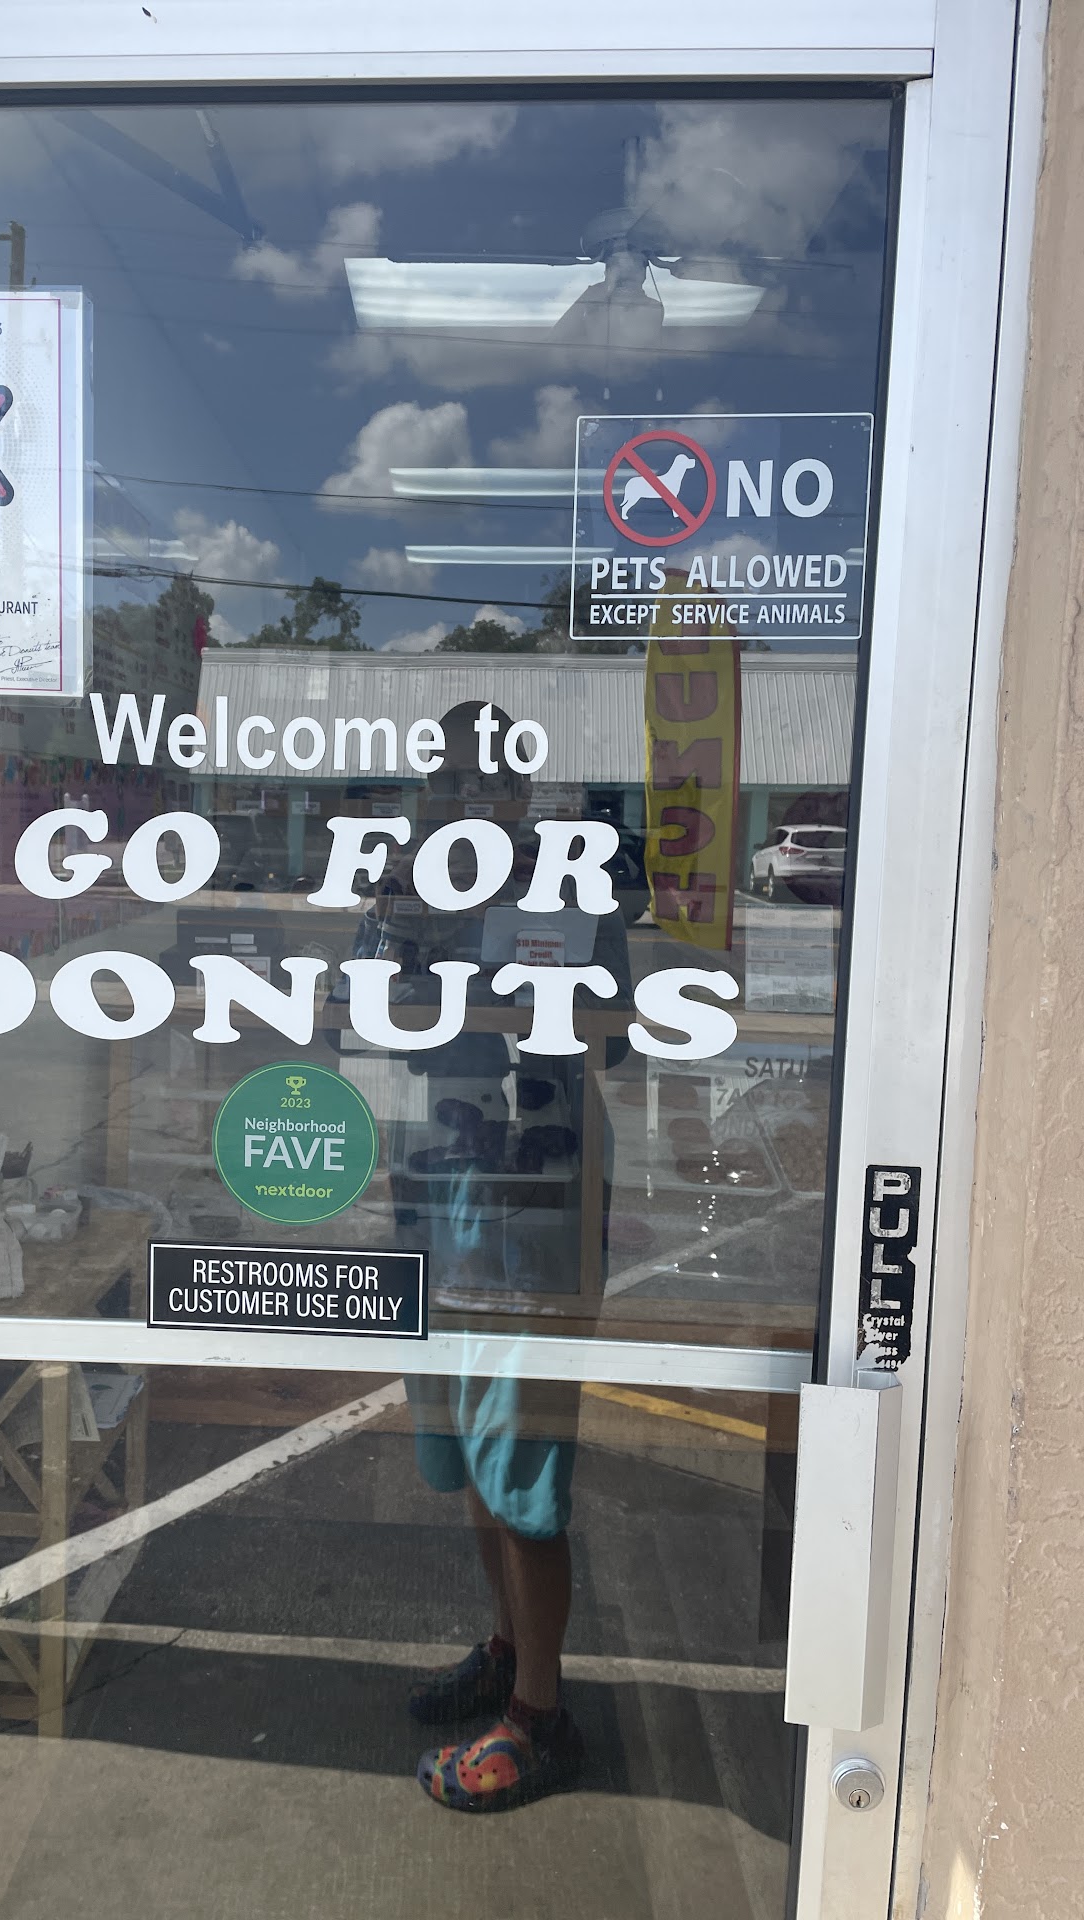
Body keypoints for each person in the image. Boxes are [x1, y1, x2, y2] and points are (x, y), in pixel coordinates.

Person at [370, 702, 628, 1812]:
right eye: (449, 777)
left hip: (536, 1187)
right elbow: (357, 1007)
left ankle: (541, 1715)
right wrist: (403, 921)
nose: (468, 797)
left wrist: (536, 975)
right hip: (438, 1181)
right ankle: (510, 1649)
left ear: (524, 790)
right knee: (466, 1446)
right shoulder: (407, 882)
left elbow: (624, 1031)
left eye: (490, 778)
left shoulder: (573, 881)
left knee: (524, 1457)